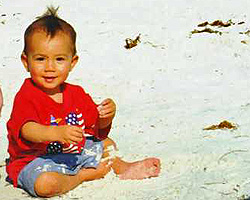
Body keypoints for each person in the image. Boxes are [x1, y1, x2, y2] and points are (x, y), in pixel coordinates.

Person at [6, 7, 161, 198]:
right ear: (25, 61)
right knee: (46, 185)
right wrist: (55, 132)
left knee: (106, 143)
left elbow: (94, 128)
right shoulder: (27, 94)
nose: (50, 67)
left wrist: (106, 116)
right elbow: (27, 129)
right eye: (40, 59)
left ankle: (124, 168)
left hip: (70, 153)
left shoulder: (75, 93)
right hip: (35, 159)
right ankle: (81, 177)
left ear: (72, 62)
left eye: (59, 59)